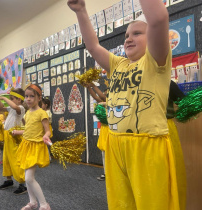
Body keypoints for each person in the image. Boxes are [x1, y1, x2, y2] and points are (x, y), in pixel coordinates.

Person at [68, 0, 180, 209]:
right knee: (121, 203)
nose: (129, 38)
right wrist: (81, 11)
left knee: (153, 203)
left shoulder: (155, 61)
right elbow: (93, 46)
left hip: (147, 144)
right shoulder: (117, 64)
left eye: (137, 33)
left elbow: (158, 19)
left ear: (153, 39)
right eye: (127, 35)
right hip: (116, 143)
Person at [15, 84, 51, 210]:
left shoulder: (42, 113)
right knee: (27, 177)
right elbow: (27, 130)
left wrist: (46, 136)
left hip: (35, 147)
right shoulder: (26, 114)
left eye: (32, 96)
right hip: (26, 145)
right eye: (26, 96)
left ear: (39, 98)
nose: (28, 99)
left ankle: (44, 205)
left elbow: (48, 131)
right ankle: (32, 202)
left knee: (29, 178)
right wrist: (17, 132)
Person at [0, 89, 27, 195]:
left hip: (14, 137)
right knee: (7, 159)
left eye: (12, 99)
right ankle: (9, 180)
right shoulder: (11, 107)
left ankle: (23, 185)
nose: (10, 101)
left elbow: (15, 107)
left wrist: (4, 98)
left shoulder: (21, 108)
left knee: (15, 160)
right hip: (7, 136)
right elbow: (0, 108)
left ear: (19, 99)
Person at [167, 80, 187, 210]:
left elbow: (185, 103)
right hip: (138, 135)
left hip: (165, 130)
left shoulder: (167, 83)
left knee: (170, 172)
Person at [85, 83, 107, 181]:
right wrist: (89, 87)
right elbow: (95, 96)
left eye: (106, 94)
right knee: (104, 152)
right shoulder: (103, 102)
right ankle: (106, 173)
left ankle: (112, 172)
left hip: (112, 130)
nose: (104, 95)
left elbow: (101, 96)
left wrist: (93, 85)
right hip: (104, 130)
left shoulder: (112, 102)